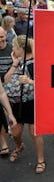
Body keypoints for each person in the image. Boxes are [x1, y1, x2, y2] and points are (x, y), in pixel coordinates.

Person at [4, 35, 45, 173]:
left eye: (14, 47)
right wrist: (14, 63)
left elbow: (45, 85)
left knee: (35, 133)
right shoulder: (17, 61)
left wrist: (29, 81)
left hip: (31, 102)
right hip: (16, 104)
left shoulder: (35, 62)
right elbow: (6, 80)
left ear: (21, 48)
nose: (12, 49)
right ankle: (19, 146)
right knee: (15, 133)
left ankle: (40, 160)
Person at [0, 26, 13, 156]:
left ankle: (15, 136)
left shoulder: (11, 49)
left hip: (10, 86)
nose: (0, 39)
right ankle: (4, 144)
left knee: (10, 114)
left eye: (1, 36)